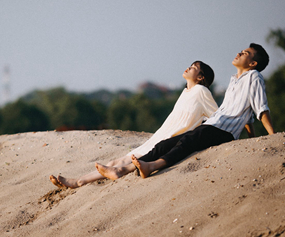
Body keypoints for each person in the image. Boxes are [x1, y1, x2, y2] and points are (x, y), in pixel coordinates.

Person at [97, 43, 276, 181]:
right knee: (165, 144)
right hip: (213, 124)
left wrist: (272, 136)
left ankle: (152, 166)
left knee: (187, 141)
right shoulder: (234, 80)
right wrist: (251, 138)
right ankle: (123, 170)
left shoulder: (254, 77)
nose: (239, 53)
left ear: (253, 63)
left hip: (224, 131)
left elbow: (260, 109)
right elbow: (248, 115)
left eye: (245, 53)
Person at [50, 61, 218, 188]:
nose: (188, 68)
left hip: (170, 140)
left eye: (194, 67)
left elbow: (217, 117)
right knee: (117, 160)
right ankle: (78, 181)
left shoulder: (202, 91)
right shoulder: (186, 92)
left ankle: (77, 182)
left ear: (201, 77)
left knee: (123, 161)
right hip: (160, 135)